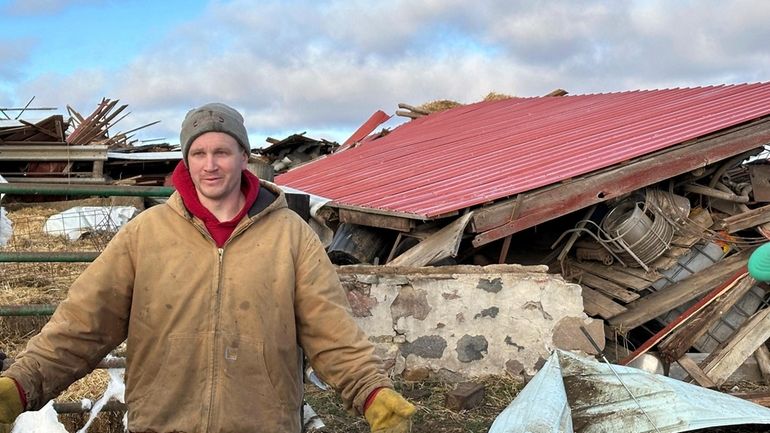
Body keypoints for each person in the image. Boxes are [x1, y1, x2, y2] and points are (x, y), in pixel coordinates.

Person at [0, 103, 415, 432]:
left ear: (244, 157)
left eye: (222, 151)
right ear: (186, 160)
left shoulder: (290, 236)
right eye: (198, 153)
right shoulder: (145, 234)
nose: (210, 164)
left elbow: (331, 332)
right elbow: (82, 324)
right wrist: (20, 385)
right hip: (163, 424)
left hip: (262, 423)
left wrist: (372, 392)